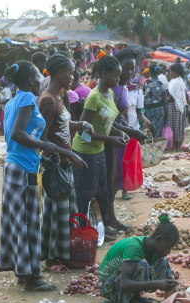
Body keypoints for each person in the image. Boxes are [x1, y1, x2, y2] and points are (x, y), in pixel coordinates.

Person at [0, 60, 59, 292]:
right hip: (22, 169)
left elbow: (17, 141)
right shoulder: (25, 98)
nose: (42, 82)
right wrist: (44, 144)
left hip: (18, 165)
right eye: (38, 77)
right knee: (28, 221)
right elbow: (18, 134)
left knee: (18, 220)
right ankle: (32, 278)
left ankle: (23, 273)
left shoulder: (12, 101)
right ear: (30, 80)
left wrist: (40, 156)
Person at [38, 54, 92, 273]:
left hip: (63, 162)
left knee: (65, 212)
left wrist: (80, 125)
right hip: (54, 165)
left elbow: (62, 126)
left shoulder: (59, 97)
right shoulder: (48, 100)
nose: (73, 76)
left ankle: (64, 254)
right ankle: (51, 258)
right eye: (70, 72)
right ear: (60, 73)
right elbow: (42, 139)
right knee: (54, 214)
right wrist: (69, 155)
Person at [71, 53, 129, 238]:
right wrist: (110, 139)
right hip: (85, 152)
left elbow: (107, 122)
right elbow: (82, 131)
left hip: (99, 151)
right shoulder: (93, 97)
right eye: (115, 76)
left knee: (102, 192)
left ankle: (103, 227)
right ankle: (83, 233)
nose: (118, 79)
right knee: (86, 194)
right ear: (103, 74)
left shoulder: (110, 93)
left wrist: (119, 133)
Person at [98, 214, 179, 303]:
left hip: (121, 282)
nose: (169, 252)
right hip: (108, 286)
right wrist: (157, 283)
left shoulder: (153, 249)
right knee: (141, 264)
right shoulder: (134, 247)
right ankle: (123, 301)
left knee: (163, 262)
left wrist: (176, 296)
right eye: (167, 247)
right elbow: (124, 284)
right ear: (158, 240)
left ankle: (136, 297)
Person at [108, 48, 147, 207]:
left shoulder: (124, 87)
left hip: (122, 137)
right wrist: (131, 132)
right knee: (113, 176)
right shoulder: (115, 89)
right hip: (113, 138)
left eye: (133, 68)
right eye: (126, 68)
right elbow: (108, 121)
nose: (130, 72)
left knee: (121, 171)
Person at [143, 65, 168, 139]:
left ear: (150, 72)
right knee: (157, 131)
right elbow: (165, 101)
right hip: (159, 110)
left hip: (148, 109)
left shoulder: (146, 83)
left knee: (149, 130)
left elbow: (144, 94)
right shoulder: (161, 84)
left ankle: (149, 147)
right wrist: (167, 115)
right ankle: (157, 148)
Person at [167, 63, 187, 150]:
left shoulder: (174, 82)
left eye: (171, 71)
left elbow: (171, 96)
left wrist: (164, 101)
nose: (170, 73)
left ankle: (175, 146)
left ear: (175, 72)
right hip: (180, 107)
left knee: (173, 126)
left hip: (173, 106)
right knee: (178, 126)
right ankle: (178, 145)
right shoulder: (180, 81)